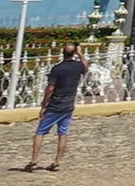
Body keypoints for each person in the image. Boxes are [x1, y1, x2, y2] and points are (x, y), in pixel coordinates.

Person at [24, 43, 88, 172]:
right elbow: (85, 67)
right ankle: (57, 162)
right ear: (74, 53)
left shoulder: (57, 69)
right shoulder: (77, 67)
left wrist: (44, 105)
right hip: (68, 105)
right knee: (63, 133)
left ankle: (34, 160)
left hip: (55, 105)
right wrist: (80, 54)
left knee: (40, 132)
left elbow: (50, 88)